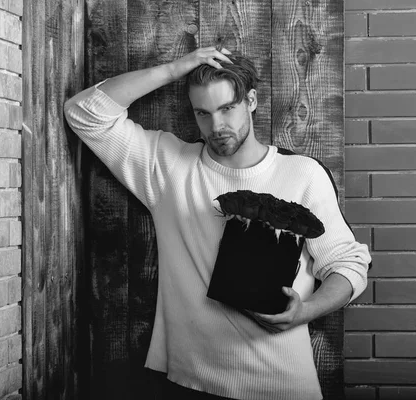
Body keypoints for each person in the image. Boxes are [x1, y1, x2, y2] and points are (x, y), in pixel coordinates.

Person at [64, 46, 371, 400]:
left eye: (227, 109)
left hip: (282, 382)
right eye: (203, 113)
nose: (217, 126)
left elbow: (348, 263)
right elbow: (85, 114)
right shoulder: (167, 165)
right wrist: (173, 70)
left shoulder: (302, 174)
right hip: (189, 380)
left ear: (251, 101)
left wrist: (307, 311)